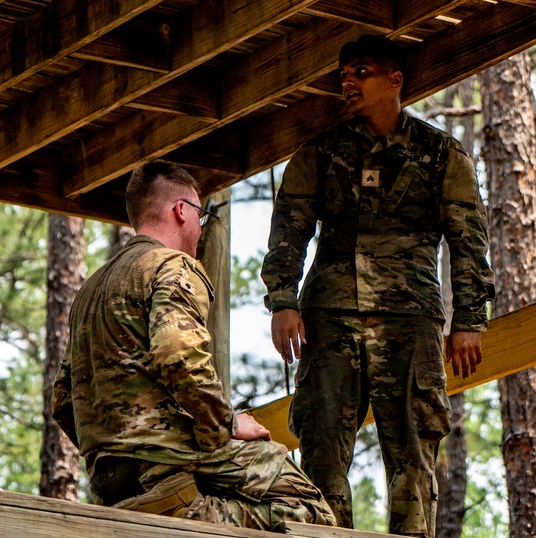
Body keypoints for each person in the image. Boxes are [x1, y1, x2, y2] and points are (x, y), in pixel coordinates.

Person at [262, 35, 493, 537]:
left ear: (395, 80)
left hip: (410, 322)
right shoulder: (319, 153)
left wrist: (469, 320)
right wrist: (282, 300)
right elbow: (289, 231)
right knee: (322, 448)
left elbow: (468, 241)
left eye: (360, 71)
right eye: (343, 74)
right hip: (329, 321)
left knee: (412, 451)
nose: (347, 81)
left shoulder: (440, 154)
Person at [53, 160, 335, 527]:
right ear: (181, 211)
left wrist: (113, 447)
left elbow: (63, 399)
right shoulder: (171, 266)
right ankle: (195, 511)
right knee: (313, 511)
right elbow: (178, 353)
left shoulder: (91, 289)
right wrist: (227, 423)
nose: (200, 229)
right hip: (167, 459)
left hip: (110, 477)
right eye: (201, 216)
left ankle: (173, 499)